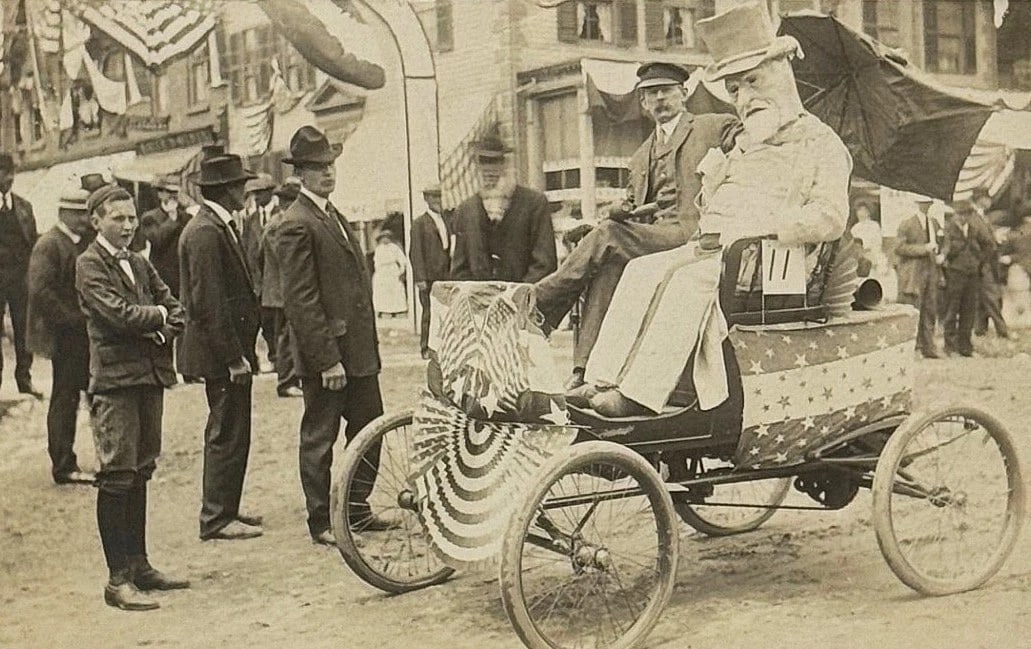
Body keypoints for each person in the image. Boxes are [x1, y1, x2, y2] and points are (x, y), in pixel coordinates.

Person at [574, 1, 854, 417]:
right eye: (736, 89)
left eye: (754, 82)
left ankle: (640, 393)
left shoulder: (821, 143)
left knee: (689, 282)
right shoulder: (743, 144)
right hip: (721, 253)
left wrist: (769, 226)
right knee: (642, 270)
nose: (745, 98)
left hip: (779, 268)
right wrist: (716, 179)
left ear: (782, 76)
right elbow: (713, 207)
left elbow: (831, 216)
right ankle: (601, 378)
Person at [534, 62, 739, 386]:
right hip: (657, 238)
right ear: (643, 103)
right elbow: (634, 205)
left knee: (609, 236)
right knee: (607, 267)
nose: (659, 99)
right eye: (650, 94)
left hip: (694, 234)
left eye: (666, 91)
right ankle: (585, 373)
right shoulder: (641, 156)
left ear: (683, 93)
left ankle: (542, 302)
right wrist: (619, 209)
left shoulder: (712, 126)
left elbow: (749, 137)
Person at [275, 125, 393, 546]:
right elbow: (301, 302)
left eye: (329, 165)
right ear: (300, 174)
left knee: (369, 429)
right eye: (316, 167)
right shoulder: (296, 223)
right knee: (319, 438)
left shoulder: (332, 215)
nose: (327, 173)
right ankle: (321, 522)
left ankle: (356, 509)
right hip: (331, 357)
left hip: (358, 352)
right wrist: (326, 360)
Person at [75, 184, 189, 610]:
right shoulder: (89, 265)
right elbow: (118, 316)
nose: (127, 225)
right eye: (117, 218)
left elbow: (174, 307)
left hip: (148, 378)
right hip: (116, 384)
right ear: (97, 222)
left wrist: (159, 321)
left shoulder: (139, 263)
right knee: (117, 474)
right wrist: (157, 319)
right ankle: (117, 578)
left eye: (131, 218)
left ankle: (140, 565)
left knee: (141, 470)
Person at [177, 154, 264, 541]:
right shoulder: (205, 232)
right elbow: (209, 302)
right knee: (225, 430)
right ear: (228, 190)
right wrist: (233, 357)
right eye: (241, 185)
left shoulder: (215, 226)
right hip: (221, 354)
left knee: (234, 428)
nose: (245, 191)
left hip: (229, 350)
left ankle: (226, 507)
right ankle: (215, 516)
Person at [26, 185, 95, 485]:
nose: (85, 220)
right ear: (64, 213)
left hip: (78, 333)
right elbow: (40, 291)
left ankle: (101, 456)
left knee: (84, 392)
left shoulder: (76, 242)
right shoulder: (50, 244)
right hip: (65, 336)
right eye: (79, 214)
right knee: (65, 398)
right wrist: (72, 320)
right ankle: (63, 464)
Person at [450, 133, 557, 283]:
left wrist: (515, 297)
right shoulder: (465, 211)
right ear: (476, 166)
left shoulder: (534, 204)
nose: (490, 171)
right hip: (481, 303)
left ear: (507, 164)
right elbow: (459, 271)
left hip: (523, 301)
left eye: (496, 162)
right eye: (484, 162)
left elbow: (545, 264)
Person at [0, 152, 41, 398]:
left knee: (24, 330)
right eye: (4, 173)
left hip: (19, 280)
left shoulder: (25, 207)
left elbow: (33, 245)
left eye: (11, 173)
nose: (9, 179)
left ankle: (24, 380)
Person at [256, 180, 302, 398]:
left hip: (278, 291)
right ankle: (286, 381)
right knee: (286, 337)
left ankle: (291, 378)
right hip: (281, 292)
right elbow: (285, 259)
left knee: (287, 336)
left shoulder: (276, 222)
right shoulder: (280, 224)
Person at [940, 199, 994, 357]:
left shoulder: (974, 228)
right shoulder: (948, 229)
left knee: (969, 310)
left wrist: (980, 261)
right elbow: (944, 250)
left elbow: (989, 244)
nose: (963, 218)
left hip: (972, 273)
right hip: (955, 273)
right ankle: (950, 347)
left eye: (967, 214)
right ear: (955, 214)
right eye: (961, 214)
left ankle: (965, 347)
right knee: (952, 310)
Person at [241, 173, 281, 372]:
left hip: (277, 282)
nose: (256, 198)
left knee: (278, 322)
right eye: (254, 194)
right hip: (258, 283)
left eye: (259, 193)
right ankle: (273, 357)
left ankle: (279, 359)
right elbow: (248, 249)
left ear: (269, 193)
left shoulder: (281, 215)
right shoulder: (251, 220)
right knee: (264, 323)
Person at [896, 196, 944, 358]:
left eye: (928, 203)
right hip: (914, 273)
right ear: (916, 204)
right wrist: (923, 248)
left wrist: (941, 253)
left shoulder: (935, 223)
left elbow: (944, 243)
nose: (926, 206)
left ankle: (928, 347)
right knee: (914, 309)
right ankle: (913, 347)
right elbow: (900, 248)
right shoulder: (907, 223)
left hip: (931, 271)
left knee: (930, 309)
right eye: (923, 203)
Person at [409, 184, 451, 358]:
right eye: (433, 197)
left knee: (447, 312)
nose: (437, 201)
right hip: (429, 276)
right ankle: (426, 347)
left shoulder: (447, 220)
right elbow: (415, 252)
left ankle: (445, 345)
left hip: (446, 275)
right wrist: (420, 278)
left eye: (439, 197)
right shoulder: (420, 223)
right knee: (428, 312)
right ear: (426, 200)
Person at [970, 187, 1010, 339]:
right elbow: (976, 242)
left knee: (983, 299)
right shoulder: (974, 217)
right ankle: (1002, 331)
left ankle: (980, 331)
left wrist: (995, 239)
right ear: (980, 199)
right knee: (992, 297)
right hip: (982, 264)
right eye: (987, 198)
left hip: (985, 263)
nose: (990, 201)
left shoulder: (981, 216)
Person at [139, 176, 190, 297]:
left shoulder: (186, 217)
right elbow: (157, 240)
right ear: (160, 194)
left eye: (175, 192)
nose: (173, 196)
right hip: (163, 275)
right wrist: (172, 219)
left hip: (183, 273)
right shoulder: (150, 217)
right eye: (169, 192)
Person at [372, 230, 408, 317]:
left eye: (387, 238)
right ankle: (383, 310)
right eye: (383, 238)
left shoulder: (394, 248)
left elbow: (402, 260)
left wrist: (401, 271)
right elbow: (376, 262)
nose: (385, 240)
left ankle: (397, 310)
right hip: (382, 272)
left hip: (392, 271)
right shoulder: (379, 249)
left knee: (395, 290)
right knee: (383, 291)